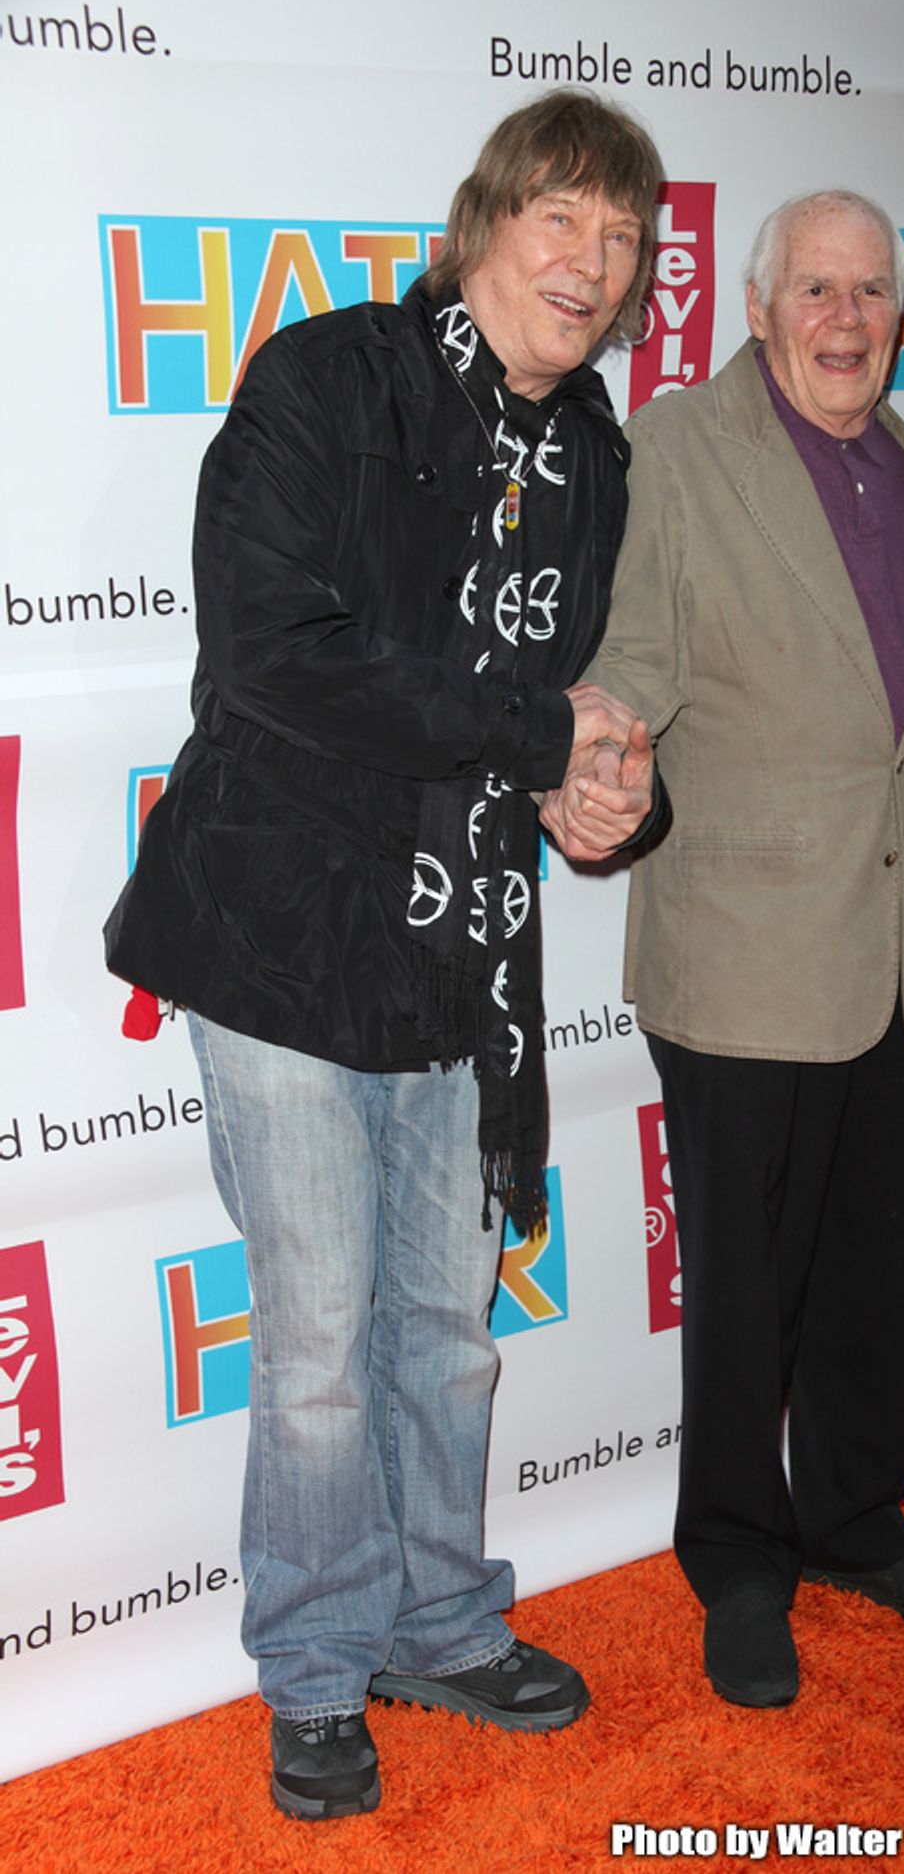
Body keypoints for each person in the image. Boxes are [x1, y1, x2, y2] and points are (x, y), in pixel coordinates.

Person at [104, 89, 661, 1819]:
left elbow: (576, 720)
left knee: (449, 1325)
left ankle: (439, 1615)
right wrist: (529, 732)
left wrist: (607, 809)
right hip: (276, 931)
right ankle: (323, 1663)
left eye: (621, 238)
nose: (588, 262)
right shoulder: (329, 376)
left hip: (458, 958)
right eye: (559, 216)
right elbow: (275, 647)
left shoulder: (598, 460)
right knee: (323, 1338)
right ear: (485, 218)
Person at [579, 189, 904, 1708]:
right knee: (750, 1285)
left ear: (902, 313)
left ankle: (852, 1520)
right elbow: (630, 651)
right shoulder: (679, 453)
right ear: (761, 309)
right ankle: (739, 1556)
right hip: (740, 943)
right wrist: (597, 755)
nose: (848, 319)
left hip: (902, 948)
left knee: (880, 1267)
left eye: (873, 293)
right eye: (817, 290)